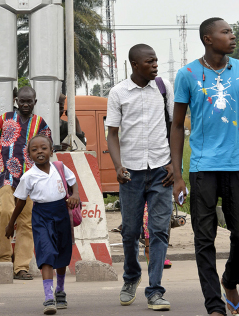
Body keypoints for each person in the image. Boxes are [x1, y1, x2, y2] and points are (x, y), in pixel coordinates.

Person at [171, 17, 239, 316]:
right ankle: (214, 307)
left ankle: (230, 281)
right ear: (208, 39)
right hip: (202, 166)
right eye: (226, 32)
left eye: (231, 31)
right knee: (204, 238)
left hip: (238, 164)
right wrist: (177, 173)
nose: (233, 35)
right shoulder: (187, 74)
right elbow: (176, 126)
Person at [106, 44, 174, 311]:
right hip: (131, 173)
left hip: (161, 171)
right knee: (131, 231)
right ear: (135, 64)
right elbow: (113, 134)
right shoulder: (118, 93)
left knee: (159, 231)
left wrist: (173, 164)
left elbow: (174, 127)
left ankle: (155, 290)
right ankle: (131, 277)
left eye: (156, 60)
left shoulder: (164, 87)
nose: (155, 65)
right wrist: (117, 165)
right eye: (150, 61)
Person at [0, 85, 51, 280]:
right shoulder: (5, 119)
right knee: (5, 213)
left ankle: (20, 267)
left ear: (35, 102)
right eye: (22, 101)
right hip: (6, 177)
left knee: (26, 222)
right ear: (16, 101)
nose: (25, 104)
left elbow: (47, 150)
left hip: (31, 182)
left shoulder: (41, 124)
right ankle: (5, 261)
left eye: (29, 101)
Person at [5, 134, 79, 315]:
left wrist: (75, 195)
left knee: (62, 252)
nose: (39, 152)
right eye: (34, 149)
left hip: (61, 213)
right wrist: (11, 223)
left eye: (44, 148)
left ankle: (60, 290)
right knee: (45, 252)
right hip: (41, 217)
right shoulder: (28, 177)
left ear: (51, 151)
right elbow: (20, 201)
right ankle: (48, 297)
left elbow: (73, 181)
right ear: (29, 155)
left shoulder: (60, 167)